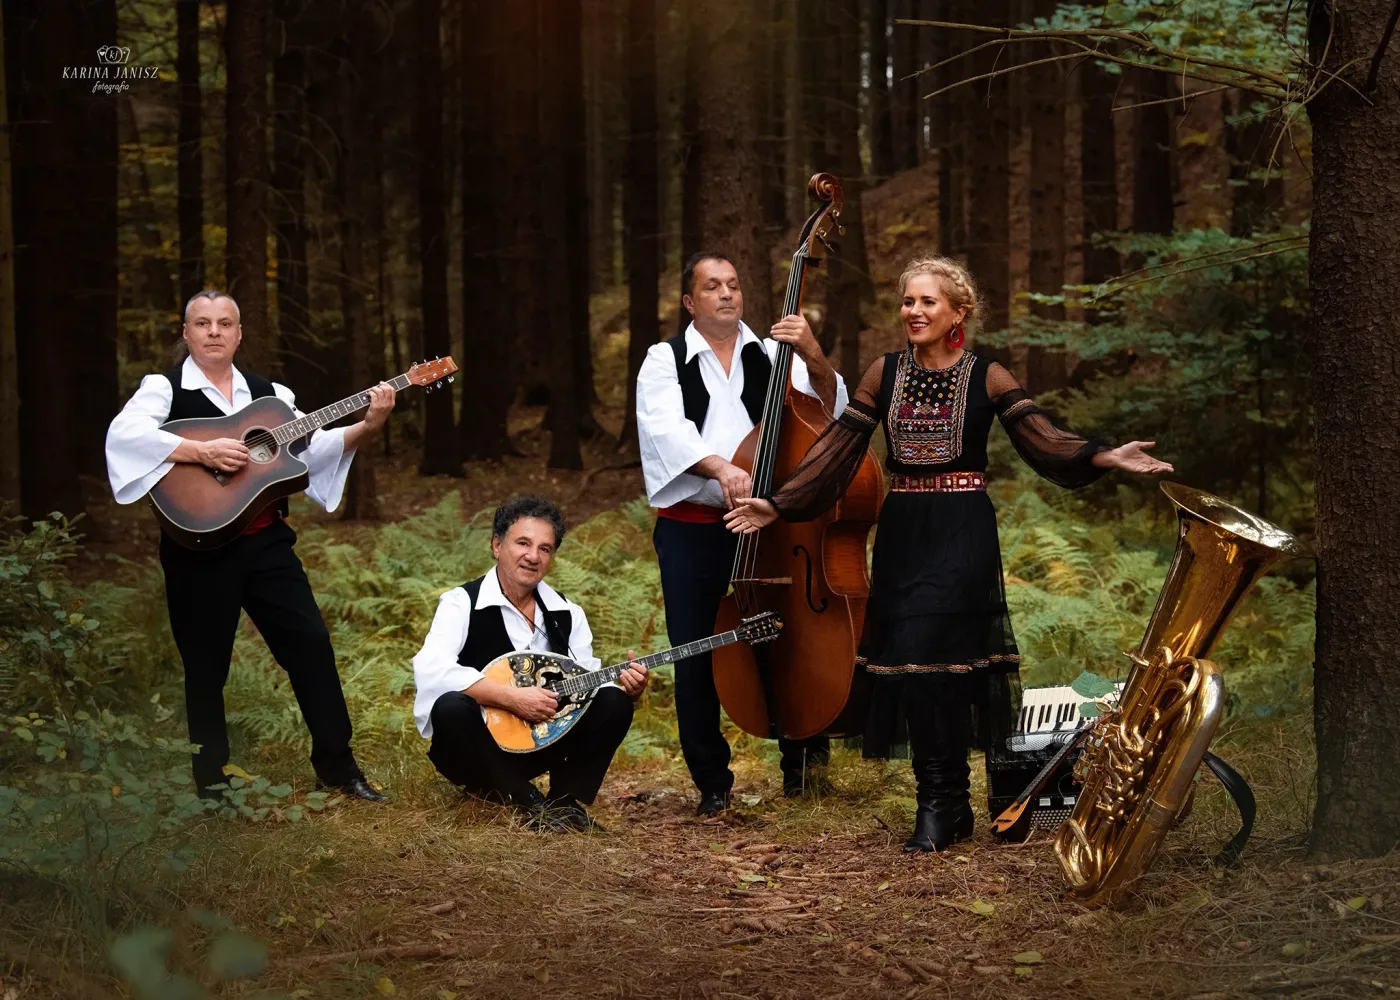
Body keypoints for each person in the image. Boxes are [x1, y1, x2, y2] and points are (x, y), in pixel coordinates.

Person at [724, 255, 1173, 851]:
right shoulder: (883, 374)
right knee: (912, 664)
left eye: (928, 301)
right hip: (904, 530)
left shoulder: (987, 375)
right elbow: (837, 450)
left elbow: (1042, 436)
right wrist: (778, 504)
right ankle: (944, 801)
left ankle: (944, 807)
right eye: (908, 301)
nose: (914, 311)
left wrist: (1105, 455)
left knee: (948, 660)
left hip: (963, 531)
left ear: (958, 312)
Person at [105, 289, 395, 801]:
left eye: (224, 323)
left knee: (311, 647)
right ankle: (212, 784)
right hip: (197, 549)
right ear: (187, 332)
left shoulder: (272, 396)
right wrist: (201, 449)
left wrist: (367, 425)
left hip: (266, 546)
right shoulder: (162, 388)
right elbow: (124, 435)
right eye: (202, 323)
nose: (214, 331)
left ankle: (338, 768)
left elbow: (315, 449)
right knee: (205, 666)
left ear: (239, 333)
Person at [635, 252, 848, 816]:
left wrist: (814, 354)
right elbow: (665, 428)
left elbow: (831, 410)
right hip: (694, 527)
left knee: (793, 632)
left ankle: (804, 765)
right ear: (690, 302)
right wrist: (721, 468)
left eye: (733, 284)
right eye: (712, 286)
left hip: (772, 523)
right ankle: (712, 782)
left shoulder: (778, 356)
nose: (727, 294)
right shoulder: (664, 360)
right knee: (695, 649)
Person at [411, 496, 648, 832]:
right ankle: (528, 802)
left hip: (541, 742)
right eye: (523, 543)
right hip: (475, 748)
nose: (533, 556)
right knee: (450, 706)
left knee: (613, 700)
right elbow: (431, 669)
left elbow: (587, 684)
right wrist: (511, 699)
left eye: (545, 548)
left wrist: (628, 687)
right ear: (497, 545)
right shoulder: (461, 603)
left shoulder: (567, 612)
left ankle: (564, 801)